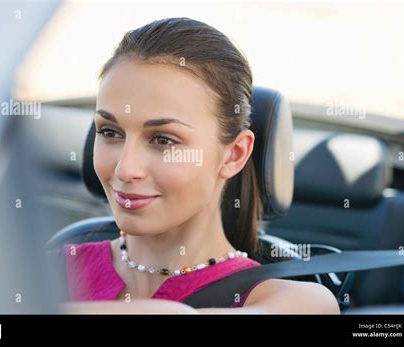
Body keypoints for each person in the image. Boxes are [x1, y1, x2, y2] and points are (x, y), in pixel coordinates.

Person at [61, 17, 340, 314]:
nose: (125, 169)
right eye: (110, 132)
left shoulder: (299, 302)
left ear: (234, 155)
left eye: (163, 140)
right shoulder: (53, 264)